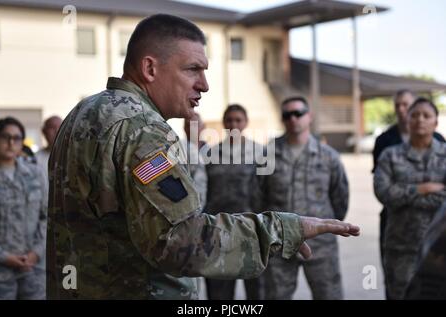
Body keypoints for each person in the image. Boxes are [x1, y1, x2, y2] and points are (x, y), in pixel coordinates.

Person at [46, 14, 360, 300]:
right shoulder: (143, 129)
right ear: (150, 68)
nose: (205, 85)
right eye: (193, 69)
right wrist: (281, 230)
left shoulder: (82, 114)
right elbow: (181, 240)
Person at [258, 97, 349, 300]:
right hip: (280, 243)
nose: (293, 119)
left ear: (309, 116)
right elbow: (258, 196)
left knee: (329, 295)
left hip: (321, 245)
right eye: (287, 115)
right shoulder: (267, 155)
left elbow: (340, 198)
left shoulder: (328, 156)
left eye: (298, 113)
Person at [374, 97, 446, 299]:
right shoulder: (390, 156)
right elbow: (384, 193)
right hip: (401, 249)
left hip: (441, 250)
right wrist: (421, 189)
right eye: (414, 115)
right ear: (407, 121)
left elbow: (395, 194)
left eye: (426, 115)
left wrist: (404, 194)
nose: (420, 120)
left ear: (435, 122)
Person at [204, 104, 263, 300]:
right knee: (219, 293)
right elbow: (203, 191)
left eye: (238, 120)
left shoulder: (259, 153)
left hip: (252, 232)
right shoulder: (211, 154)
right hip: (219, 233)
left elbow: (268, 192)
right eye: (229, 120)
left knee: (257, 292)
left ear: (245, 123)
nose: (234, 124)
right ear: (224, 123)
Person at [0, 117, 47, 299]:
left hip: (32, 267)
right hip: (0, 271)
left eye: (17, 138)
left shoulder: (35, 174)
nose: (11, 143)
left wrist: (36, 253)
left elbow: (46, 217)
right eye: (5, 137)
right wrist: (4, 257)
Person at [182, 112, 207, 208]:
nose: (191, 128)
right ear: (184, 128)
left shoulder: (213, 152)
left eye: (195, 125)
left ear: (203, 126)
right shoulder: (177, 151)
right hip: (189, 207)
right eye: (188, 125)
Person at [36, 116, 62, 185]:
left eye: (60, 127)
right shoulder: (35, 159)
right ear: (43, 131)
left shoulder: (73, 157)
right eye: (52, 127)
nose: (57, 131)